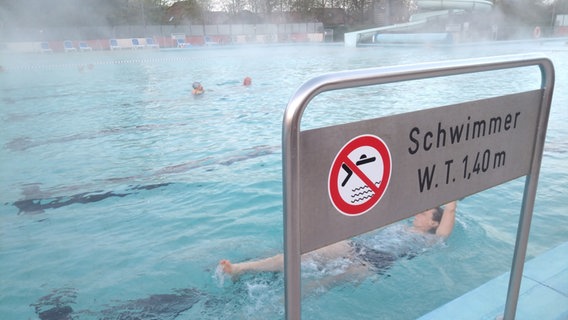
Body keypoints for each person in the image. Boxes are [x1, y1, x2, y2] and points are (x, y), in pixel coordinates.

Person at [219, 201, 457, 281]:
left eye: (424, 213)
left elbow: (449, 217)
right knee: (305, 253)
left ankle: (274, 310)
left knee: (323, 284)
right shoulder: (399, 224)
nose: (418, 213)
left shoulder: (428, 240)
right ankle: (244, 268)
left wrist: (451, 203)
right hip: (358, 248)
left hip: (377, 264)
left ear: (433, 224)